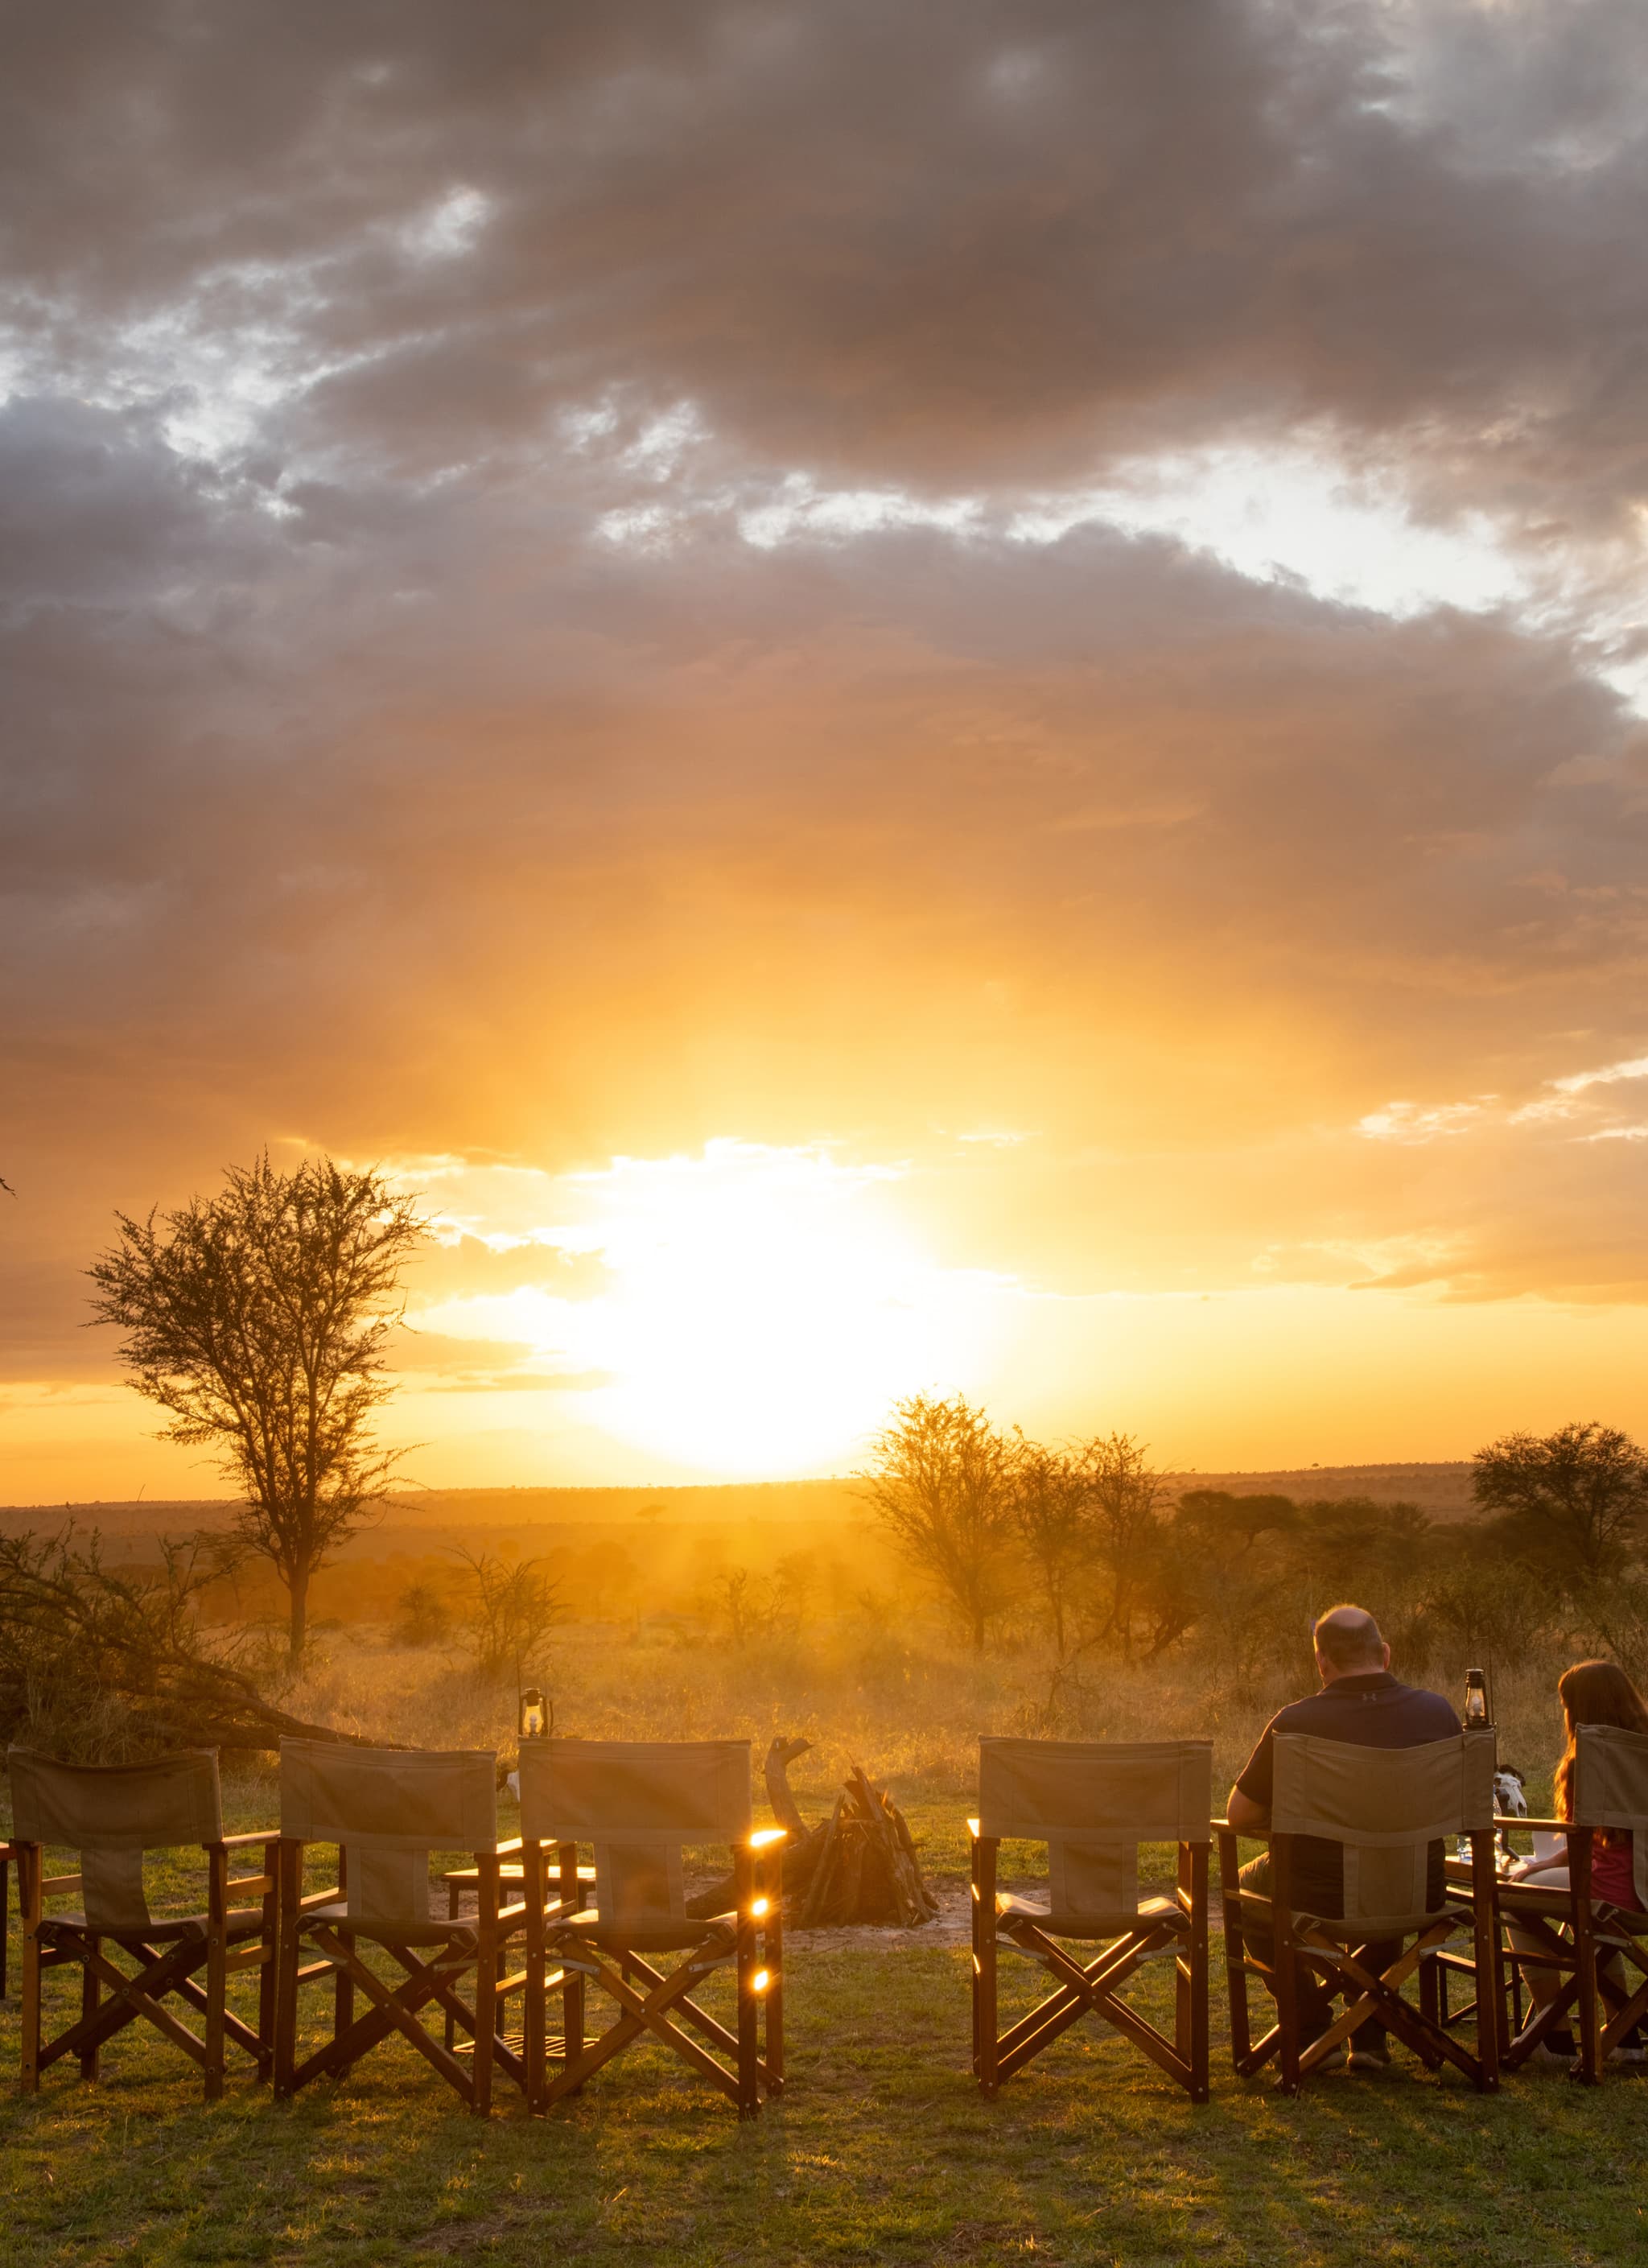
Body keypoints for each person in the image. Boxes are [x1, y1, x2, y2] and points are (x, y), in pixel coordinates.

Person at [1226, 1602, 1461, 2073]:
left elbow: (1240, 1813)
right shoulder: (1438, 1712)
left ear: (1322, 1662)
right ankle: (1370, 2034)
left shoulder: (1296, 1721)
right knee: (1385, 1869)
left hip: (1318, 1894)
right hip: (1418, 1891)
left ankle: (1315, 2029)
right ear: (1386, 1654)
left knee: (1244, 1892)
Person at [1504, 1658, 1648, 2064]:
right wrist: (1548, 1866)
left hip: (1612, 1891)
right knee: (1598, 1919)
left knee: (1515, 1895)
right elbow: (1610, 1842)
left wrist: (1537, 1867)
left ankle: (1555, 2035)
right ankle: (1626, 2034)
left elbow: (1585, 1844)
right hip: (1641, 1890)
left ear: (1580, 1709)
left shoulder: (1594, 1758)